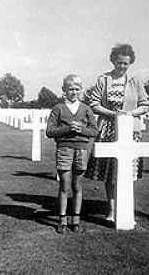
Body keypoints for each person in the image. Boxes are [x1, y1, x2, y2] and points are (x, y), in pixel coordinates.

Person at [85, 44, 149, 221]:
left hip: (130, 129)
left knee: (128, 171)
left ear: (130, 63)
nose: (122, 66)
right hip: (108, 129)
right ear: (113, 60)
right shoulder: (103, 79)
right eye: (119, 62)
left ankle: (126, 208)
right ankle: (112, 210)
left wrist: (129, 114)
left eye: (126, 64)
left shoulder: (135, 81)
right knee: (110, 171)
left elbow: (145, 105)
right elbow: (94, 103)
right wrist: (113, 114)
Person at [46, 74, 98, 234]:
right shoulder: (58, 108)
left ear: (81, 90)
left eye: (76, 89)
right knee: (64, 185)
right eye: (70, 89)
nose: (73, 92)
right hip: (64, 149)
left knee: (77, 185)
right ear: (64, 90)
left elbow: (94, 130)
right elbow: (49, 131)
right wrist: (68, 129)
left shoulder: (86, 109)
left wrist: (81, 129)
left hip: (81, 150)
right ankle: (62, 219)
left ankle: (75, 219)